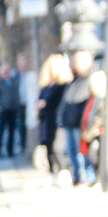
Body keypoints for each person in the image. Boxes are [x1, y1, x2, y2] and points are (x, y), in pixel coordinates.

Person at [60, 50, 95, 186]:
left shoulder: (89, 78)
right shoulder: (75, 79)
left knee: (82, 152)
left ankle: (87, 177)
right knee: (72, 152)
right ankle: (77, 177)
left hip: (80, 122)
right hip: (69, 121)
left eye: (78, 61)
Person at [36, 54, 72, 186]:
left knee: (57, 147)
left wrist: (45, 103)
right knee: (47, 146)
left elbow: (55, 102)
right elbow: (41, 100)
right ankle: (52, 173)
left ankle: (63, 172)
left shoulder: (63, 85)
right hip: (46, 119)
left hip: (57, 120)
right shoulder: (46, 85)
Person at [0, 64, 22, 157]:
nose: (6, 73)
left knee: (12, 131)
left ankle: (10, 150)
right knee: (1, 131)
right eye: (4, 71)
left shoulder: (13, 81)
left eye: (7, 71)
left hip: (13, 110)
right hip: (3, 110)